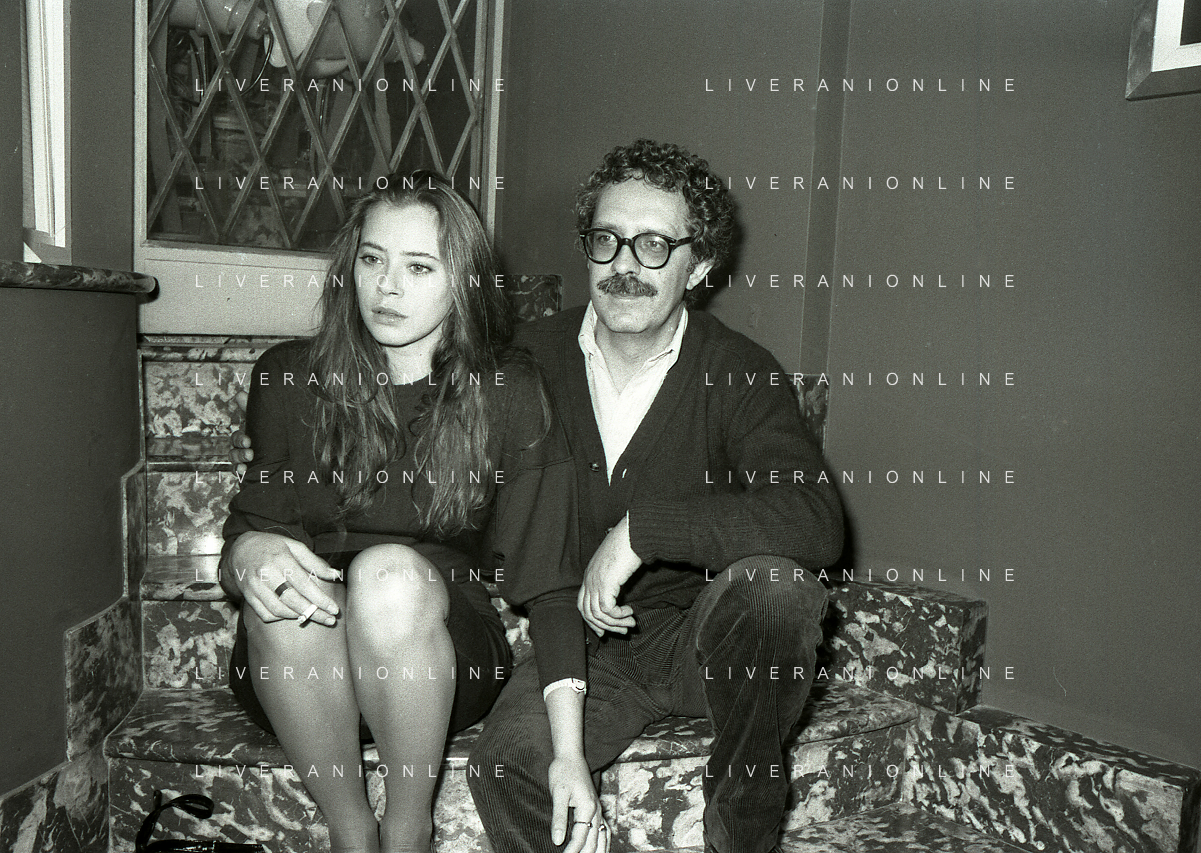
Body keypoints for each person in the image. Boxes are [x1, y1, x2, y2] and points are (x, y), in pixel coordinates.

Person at [234, 142, 844, 853]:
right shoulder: (522, 361)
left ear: (700, 265)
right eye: (606, 239)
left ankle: (741, 833)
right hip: (583, 642)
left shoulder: (738, 371)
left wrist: (643, 532)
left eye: (653, 245)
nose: (624, 265)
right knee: (506, 767)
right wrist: (251, 546)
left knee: (775, 589)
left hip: (703, 641)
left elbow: (813, 519)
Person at [219, 171, 598, 853]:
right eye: (372, 259)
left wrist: (568, 752)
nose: (387, 287)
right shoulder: (287, 377)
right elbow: (248, 538)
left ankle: (407, 828)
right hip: (302, 673)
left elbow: (549, 584)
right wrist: (246, 554)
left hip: (438, 657)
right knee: (287, 594)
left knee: (388, 575)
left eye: (419, 267)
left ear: (463, 283)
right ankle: (350, 832)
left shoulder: (508, 390)